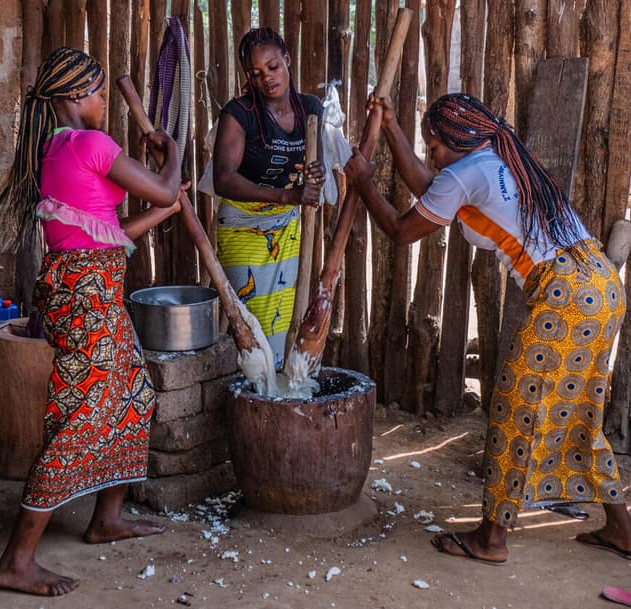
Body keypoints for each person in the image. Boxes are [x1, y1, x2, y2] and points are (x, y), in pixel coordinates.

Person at [345, 92, 631, 564]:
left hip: (565, 296)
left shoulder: (464, 173)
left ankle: (491, 540)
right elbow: (433, 190)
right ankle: (622, 530)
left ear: (455, 141)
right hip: (599, 285)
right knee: (579, 412)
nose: (432, 157)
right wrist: (391, 126)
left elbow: (401, 229)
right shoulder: (496, 155)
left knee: (517, 411)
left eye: (433, 147)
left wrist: (362, 183)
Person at [0, 47, 182, 595]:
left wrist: (161, 210)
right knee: (79, 418)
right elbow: (166, 186)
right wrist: (171, 152)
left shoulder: (57, 148)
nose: (102, 101)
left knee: (134, 393)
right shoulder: (91, 144)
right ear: (75, 96)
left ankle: (106, 519)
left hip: (85, 290)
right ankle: (16, 561)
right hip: (86, 300)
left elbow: (103, 232)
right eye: (97, 92)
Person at [213, 27, 325, 369]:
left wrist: (314, 178)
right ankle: (252, 398)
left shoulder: (310, 108)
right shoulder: (239, 113)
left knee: (287, 317)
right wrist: (285, 194)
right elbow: (223, 180)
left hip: (286, 225)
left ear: (287, 60)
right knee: (251, 325)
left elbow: (313, 166)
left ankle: (277, 400)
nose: (267, 79)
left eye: (273, 67)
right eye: (256, 73)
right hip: (244, 227)